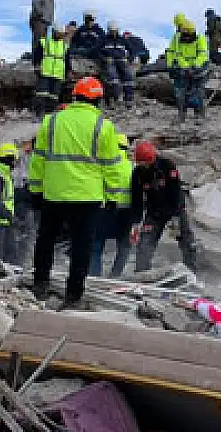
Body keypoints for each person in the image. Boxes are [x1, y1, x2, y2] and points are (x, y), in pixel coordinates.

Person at [29, 77, 121, 306]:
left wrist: (35, 190)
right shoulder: (104, 126)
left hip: (54, 192)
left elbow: (38, 159)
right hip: (87, 196)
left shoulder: (51, 122)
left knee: (46, 240)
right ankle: (73, 296)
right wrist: (112, 197)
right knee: (82, 247)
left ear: (74, 97)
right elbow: (111, 166)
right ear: (98, 100)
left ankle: (40, 285)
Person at [130, 140, 197, 272]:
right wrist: (136, 222)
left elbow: (176, 191)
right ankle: (141, 273)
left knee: (186, 241)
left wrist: (175, 216)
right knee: (145, 243)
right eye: (142, 163)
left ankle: (191, 270)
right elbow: (136, 199)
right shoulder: (138, 173)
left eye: (146, 162)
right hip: (154, 213)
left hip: (174, 210)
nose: (144, 165)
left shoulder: (167, 166)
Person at [91, 134, 135, 277]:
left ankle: (95, 276)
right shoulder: (131, 167)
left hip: (105, 209)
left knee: (96, 246)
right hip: (127, 212)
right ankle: (115, 276)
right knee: (124, 247)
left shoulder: (103, 165)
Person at [166, 20, 209, 122]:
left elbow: (202, 54)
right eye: (185, 35)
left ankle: (199, 114)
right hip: (184, 67)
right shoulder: (178, 39)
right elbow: (178, 54)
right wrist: (184, 67)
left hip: (199, 66)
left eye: (189, 35)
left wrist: (194, 66)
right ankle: (182, 114)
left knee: (198, 91)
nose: (187, 38)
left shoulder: (200, 38)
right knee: (180, 91)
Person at [36, 25, 69, 113]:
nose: (62, 35)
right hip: (45, 73)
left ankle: (50, 114)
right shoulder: (44, 42)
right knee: (41, 94)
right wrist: (37, 67)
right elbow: (37, 56)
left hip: (58, 74)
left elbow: (67, 61)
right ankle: (40, 113)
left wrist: (66, 74)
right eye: (60, 33)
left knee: (54, 96)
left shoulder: (65, 45)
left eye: (63, 34)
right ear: (54, 32)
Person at [100, 21, 134, 107]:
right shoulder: (104, 39)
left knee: (128, 78)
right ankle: (112, 100)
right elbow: (97, 52)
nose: (114, 33)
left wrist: (129, 59)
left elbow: (132, 51)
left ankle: (128, 100)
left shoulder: (123, 40)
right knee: (112, 79)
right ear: (108, 30)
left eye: (115, 31)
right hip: (110, 61)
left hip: (122, 61)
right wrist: (105, 59)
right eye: (112, 31)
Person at [29, 0, 60, 70]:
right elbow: (35, 4)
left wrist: (51, 20)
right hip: (38, 20)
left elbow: (51, 10)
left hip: (47, 22)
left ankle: (41, 60)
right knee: (38, 40)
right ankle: (35, 62)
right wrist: (41, 14)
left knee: (44, 42)